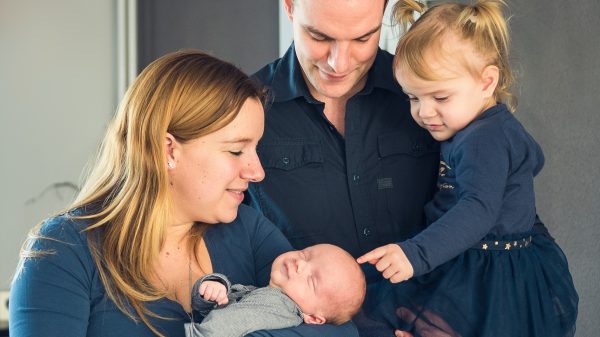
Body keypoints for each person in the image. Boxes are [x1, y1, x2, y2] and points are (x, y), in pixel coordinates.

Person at [9, 50, 358, 337]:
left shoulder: (247, 231)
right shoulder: (63, 252)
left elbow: (336, 325)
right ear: (168, 151)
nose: (257, 171)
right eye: (236, 151)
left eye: (255, 149)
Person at [357, 1, 579, 336]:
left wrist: (414, 254)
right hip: (468, 258)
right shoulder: (473, 127)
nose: (424, 113)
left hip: (490, 273)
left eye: (440, 98)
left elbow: (478, 209)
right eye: (413, 98)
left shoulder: (484, 139)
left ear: (487, 82)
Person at [246, 1, 438, 335]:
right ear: (289, 7)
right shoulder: (247, 111)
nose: (340, 63)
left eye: (363, 39)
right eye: (319, 37)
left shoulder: (427, 96)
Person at [186, 244, 366, 337]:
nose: (300, 264)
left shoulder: (277, 306)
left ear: (313, 318)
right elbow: (216, 312)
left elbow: (223, 326)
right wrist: (214, 288)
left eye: (312, 279)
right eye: (305, 254)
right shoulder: (268, 299)